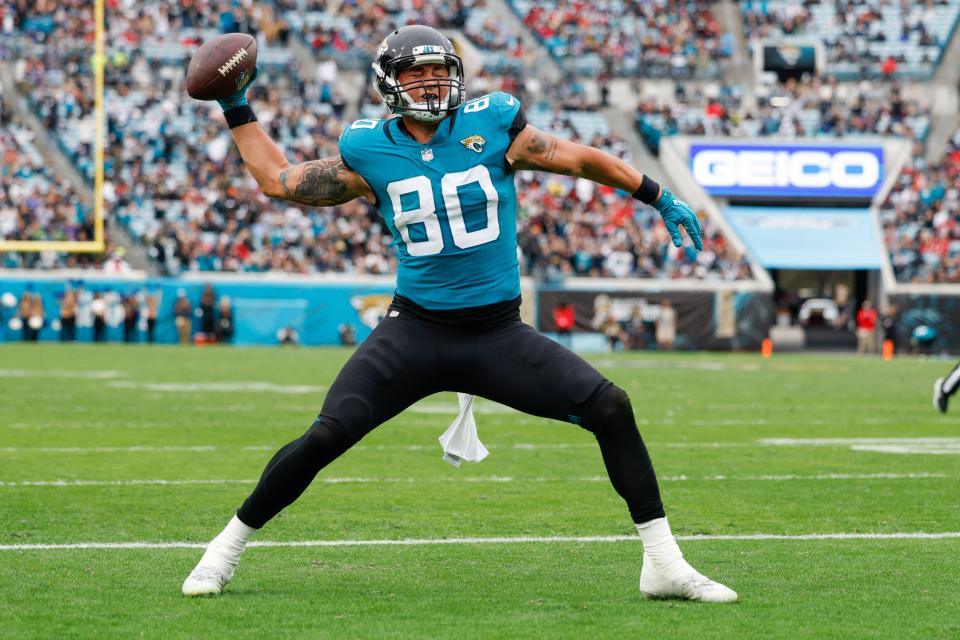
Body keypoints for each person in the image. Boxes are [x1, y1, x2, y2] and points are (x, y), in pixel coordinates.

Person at [182, 26, 734, 603]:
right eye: (414, 73)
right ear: (388, 83)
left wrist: (658, 195)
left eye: (438, 70)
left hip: (497, 335)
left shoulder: (494, 125)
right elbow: (280, 181)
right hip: (414, 331)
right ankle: (223, 551)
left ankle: (664, 565)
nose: (430, 82)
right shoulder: (369, 149)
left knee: (610, 407)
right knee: (327, 436)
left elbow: (578, 160)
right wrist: (235, 104)